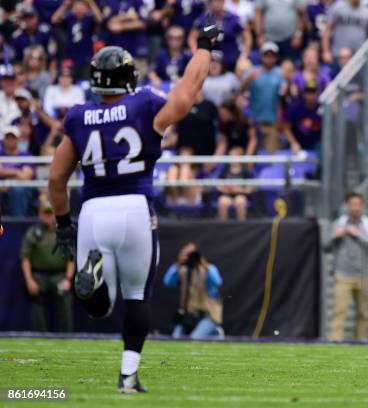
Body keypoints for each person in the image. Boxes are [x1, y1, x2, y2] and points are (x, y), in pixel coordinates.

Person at [47, 23, 222, 392]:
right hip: (134, 208)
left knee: (100, 307)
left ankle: (90, 280)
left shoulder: (79, 116)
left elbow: (56, 179)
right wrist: (204, 46)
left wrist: (64, 224)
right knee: (137, 296)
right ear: (126, 76)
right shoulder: (143, 104)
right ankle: (128, 377)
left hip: (93, 210)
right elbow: (188, 92)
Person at [328, 192, 368, 340]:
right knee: (339, 311)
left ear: (362, 206)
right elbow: (325, 247)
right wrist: (334, 237)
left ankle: (361, 343)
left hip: (365, 275)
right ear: (347, 206)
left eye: (358, 205)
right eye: (352, 204)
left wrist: (357, 235)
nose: (355, 208)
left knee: (363, 313)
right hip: (342, 274)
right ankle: (334, 343)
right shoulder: (338, 223)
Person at [20, 200, 75, 332]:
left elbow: (71, 258)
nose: (48, 216)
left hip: (59, 275)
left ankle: (67, 336)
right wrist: (29, 280)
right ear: (40, 214)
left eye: (50, 213)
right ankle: (39, 335)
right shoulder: (34, 232)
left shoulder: (62, 232)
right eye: (45, 213)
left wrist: (68, 279)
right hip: (39, 275)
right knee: (36, 300)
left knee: (65, 301)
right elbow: (25, 258)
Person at [163, 242, 224, 338]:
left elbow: (218, 282)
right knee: (175, 338)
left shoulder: (207, 268)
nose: (189, 257)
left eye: (191, 254)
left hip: (208, 315)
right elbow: (168, 282)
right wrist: (178, 263)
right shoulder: (182, 269)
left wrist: (202, 263)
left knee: (194, 338)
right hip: (188, 315)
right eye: (186, 254)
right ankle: (211, 333)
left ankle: (215, 333)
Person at [240, 42, 282, 152]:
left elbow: (285, 94)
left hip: (272, 122)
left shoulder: (280, 73)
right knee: (252, 153)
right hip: (254, 122)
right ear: (261, 56)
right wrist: (248, 80)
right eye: (266, 55)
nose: (269, 58)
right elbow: (241, 92)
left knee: (272, 155)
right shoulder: (252, 71)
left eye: (271, 55)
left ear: (276, 57)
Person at [51, 0, 103, 79]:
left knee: (85, 82)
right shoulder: (69, 19)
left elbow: (99, 19)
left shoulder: (89, 19)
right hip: (70, 57)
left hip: (86, 57)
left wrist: (91, 3)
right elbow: (54, 20)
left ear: (86, 8)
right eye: (76, 6)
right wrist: (65, 5)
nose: (79, 8)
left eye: (82, 6)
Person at [322, 0, 368, 65]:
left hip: (359, 58)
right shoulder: (338, 8)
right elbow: (327, 30)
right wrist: (326, 51)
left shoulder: (367, 13)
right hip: (338, 56)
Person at [0, 126, 35, 216]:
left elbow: (26, 177)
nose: (10, 140)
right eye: (8, 138)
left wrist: (8, 180)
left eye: (13, 138)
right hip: (3, 187)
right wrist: (17, 172)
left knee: (18, 190)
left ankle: (18, 224)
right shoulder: (1, 154)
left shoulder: (26, 155)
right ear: (4, 139)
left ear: (18, 139)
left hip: (19, 189)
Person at [282, 79, 321, 155]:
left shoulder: (322, 108)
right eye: (308, 92)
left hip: (316, 143)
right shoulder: (294, 107)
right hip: (297, 141)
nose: (311, 95)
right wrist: (293, 143)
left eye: (313, 93)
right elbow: (286, 128)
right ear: (304, 93)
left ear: (317, 94)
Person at [217, 146, 252, 220]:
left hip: (240, 195)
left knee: (240, 201)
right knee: (222, 201)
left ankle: (241, 225)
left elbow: (249, 190)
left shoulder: (245, 172)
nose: (232, 158)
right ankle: (222, 226)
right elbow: (219, 186)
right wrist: (226, 189)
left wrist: (238, 189)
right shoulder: (225, 170)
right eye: (230, 156)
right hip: (227, 195)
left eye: (235, 156)